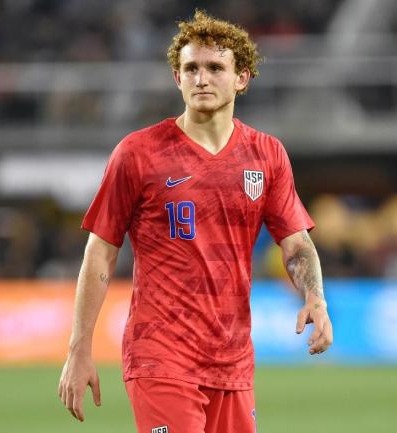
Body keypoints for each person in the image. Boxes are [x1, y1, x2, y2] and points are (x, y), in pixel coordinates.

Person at [58, 10, 333, 433]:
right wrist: (80, 348)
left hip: (233, 358)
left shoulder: (267, 155)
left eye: (215, 68)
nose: (202, 78)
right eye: (191, 68)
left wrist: (315, 298)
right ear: (177, 78)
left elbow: (295, 244)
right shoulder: (138, 154)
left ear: (242, 77)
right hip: (161, 355)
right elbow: (101, 251)